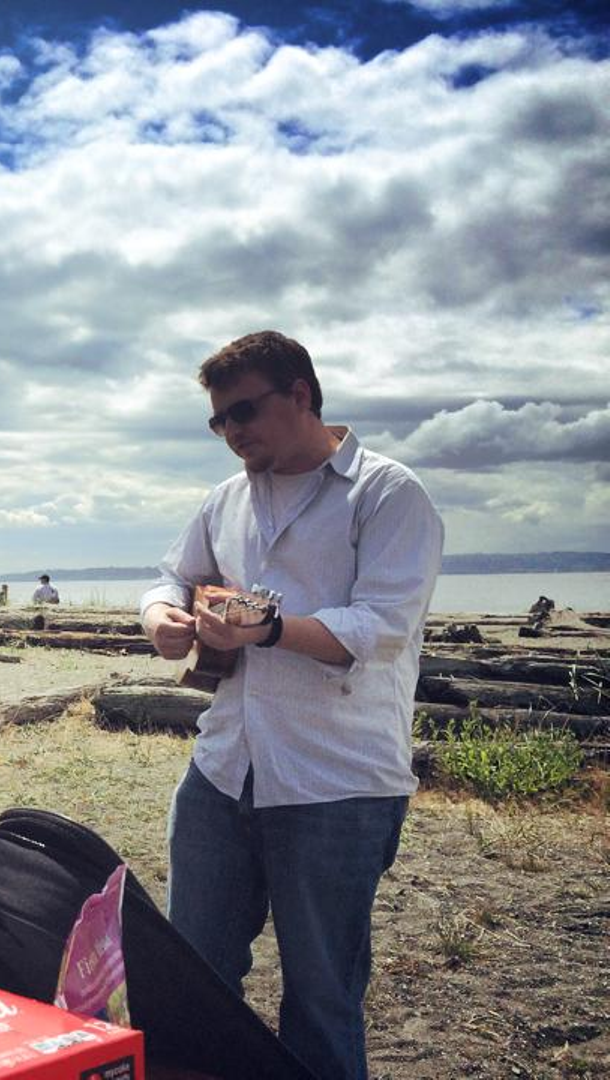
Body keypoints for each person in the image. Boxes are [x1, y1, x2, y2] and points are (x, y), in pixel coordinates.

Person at [139, 330, 443, 1080]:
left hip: (337, 783)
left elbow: (383, 628)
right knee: (192, 981)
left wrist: (268, 630)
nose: (231, 432)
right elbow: (171, 576)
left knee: (321, 1002)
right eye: (218, 420)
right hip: (222, 769)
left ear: (301, 394)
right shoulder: (225, 499)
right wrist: (160, 618)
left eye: (243, 412)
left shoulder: (388, 493)